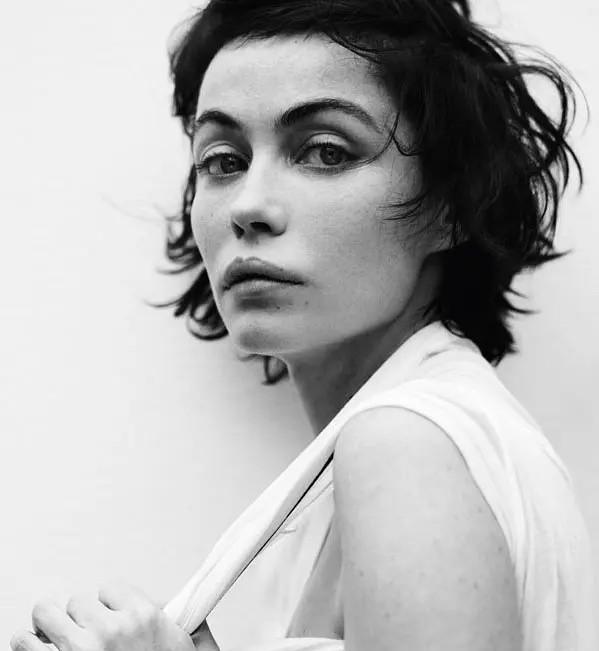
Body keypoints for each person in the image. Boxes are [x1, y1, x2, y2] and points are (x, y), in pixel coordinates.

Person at [10, 1, 596, 651]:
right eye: (223, 160)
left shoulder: (408, 442)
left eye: (324, 151)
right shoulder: (372, 465)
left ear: (449, 204)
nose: (249, 205)